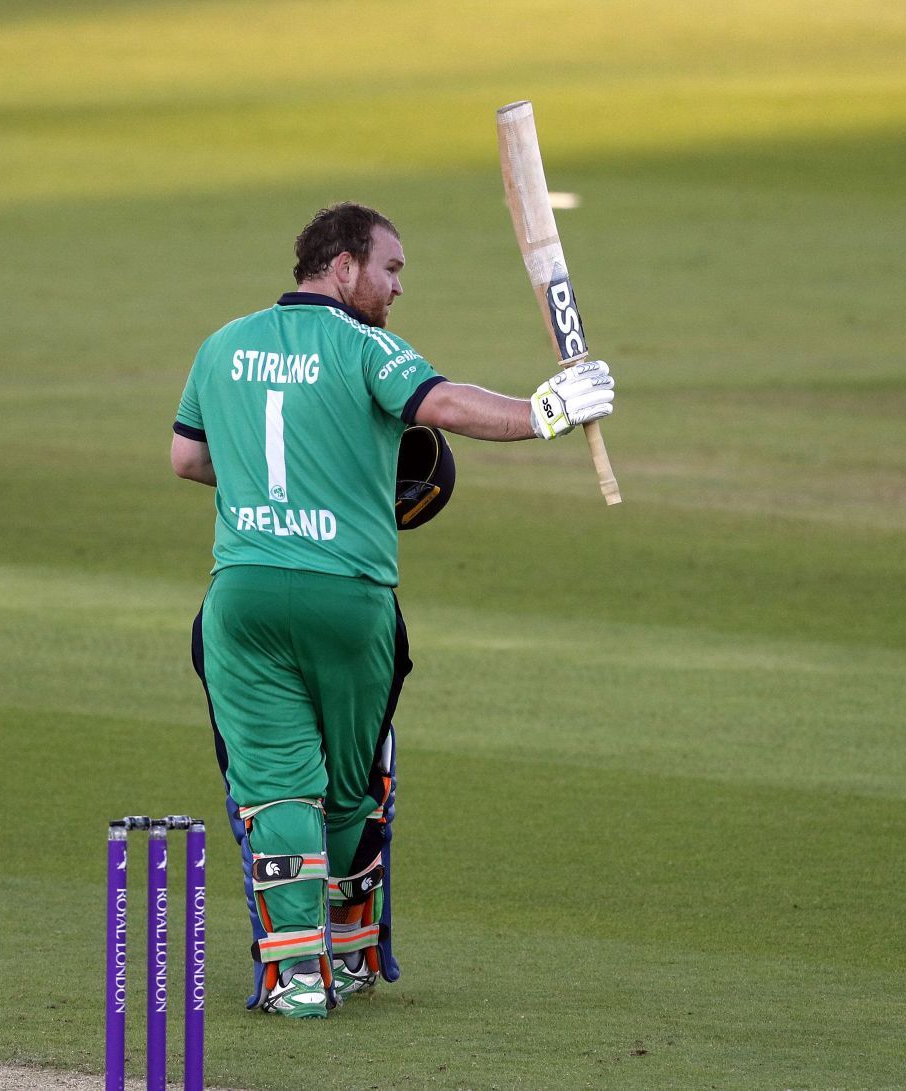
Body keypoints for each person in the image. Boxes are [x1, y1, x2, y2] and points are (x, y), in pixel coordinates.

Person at [170, 202, 614, 1018]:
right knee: (348, 786)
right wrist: (547, 410)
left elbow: (188, 457)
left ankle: (297, 982)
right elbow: (443, 406)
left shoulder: (221, 343)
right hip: (350, 598)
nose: (397, 287)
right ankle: (349, 952)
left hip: (244, 595)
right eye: (392, 269)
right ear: (343, 267)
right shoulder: (365, 345)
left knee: (275, 791)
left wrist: (276, 498)